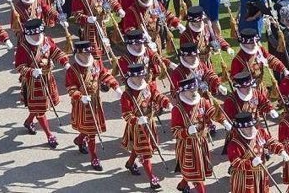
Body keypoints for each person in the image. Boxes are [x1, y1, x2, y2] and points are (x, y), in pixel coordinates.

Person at [14, 19, 70, 148]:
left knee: (41, 106)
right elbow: (19, 66)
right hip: (34, 83)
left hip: (47, 78)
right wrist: (31, 71)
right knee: (40, 109)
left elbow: (56, 52)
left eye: (38, 34)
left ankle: (28, 122)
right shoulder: (23, 47)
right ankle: (49, 134)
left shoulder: (46, 40)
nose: (37, 37)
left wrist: (65, 63)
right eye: (34, 35)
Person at [65, 41, 121, 171]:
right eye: (84, 53)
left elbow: (104, 74)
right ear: (78, 53)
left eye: (88, 52)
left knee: (90, 128)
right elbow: (70, 88)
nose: (87, 55)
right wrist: (80, 96)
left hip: (95, 101)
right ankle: (94, 157)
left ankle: (80, 140)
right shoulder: (73, 70)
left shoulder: (95, 62)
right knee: (91, 131)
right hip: (82, 103)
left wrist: (115, 86)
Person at [171, 76, 229, 193]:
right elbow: (175, 132)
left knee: (197, 169)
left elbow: (211, 112)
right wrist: (187, 132)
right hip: (187, 145)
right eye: (191, 91)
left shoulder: (202, 101)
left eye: (195, 90)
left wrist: (224, 121)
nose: (194, 92)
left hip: (201, 141)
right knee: (196, 174)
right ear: (183, 91)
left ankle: (183, 184)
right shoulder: (177, 109)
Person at [119, 63, 171, 191]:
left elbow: (157, 95)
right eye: (139, 76)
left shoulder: (147, 86)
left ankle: (130, 163)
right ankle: (152, 178)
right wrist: (137, 120)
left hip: (150, 122)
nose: (142, 78)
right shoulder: (127, 95)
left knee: (141, 148)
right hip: (138, 127)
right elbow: (126, 115)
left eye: (143, 75)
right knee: (145, 152)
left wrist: (166, 103)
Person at [227, 111, 287, 193]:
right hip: (245, 176)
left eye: (250, 126)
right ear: (240, 129)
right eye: (246, 128)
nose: (250, 129)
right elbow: (235, 162)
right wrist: (251, 163)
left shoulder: (260, 132)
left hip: (261, 171)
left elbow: (270, 142)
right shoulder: (234, 144)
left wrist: (281, 150)